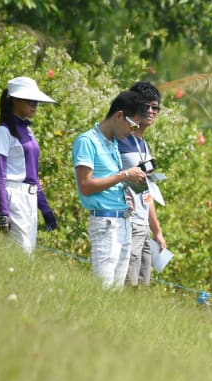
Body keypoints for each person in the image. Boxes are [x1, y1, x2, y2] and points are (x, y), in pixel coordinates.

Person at [72, 90, 149, 288]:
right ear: (119, 116)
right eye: (131, 125)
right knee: (103, 287)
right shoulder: (87, 141)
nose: (131, 132)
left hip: (123, 221)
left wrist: (127, 187)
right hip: (105, 222)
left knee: (115, 292)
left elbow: (109, 180)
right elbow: (86, 186)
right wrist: (124, 175)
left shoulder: (114, 143)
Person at [0, 76, 57, 253]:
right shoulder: (3, 132)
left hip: (29, 200)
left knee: (28, 255)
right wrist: (3, 212)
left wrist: (45, 210)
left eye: (36, 101)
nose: (34, 105)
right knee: (19, 254)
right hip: (12, 197)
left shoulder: (28, 131)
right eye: (30, 100)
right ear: (14, 99)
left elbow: (33, 176)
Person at [119, 81, 166, 286]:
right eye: (146, 105)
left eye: (155, 107)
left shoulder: (143, 145)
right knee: (127, 282)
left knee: (141, 287)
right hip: (127, 221)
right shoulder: (120, 139)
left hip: (143, 225)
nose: (150, 111)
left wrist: (157, 231)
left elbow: (147, 191)